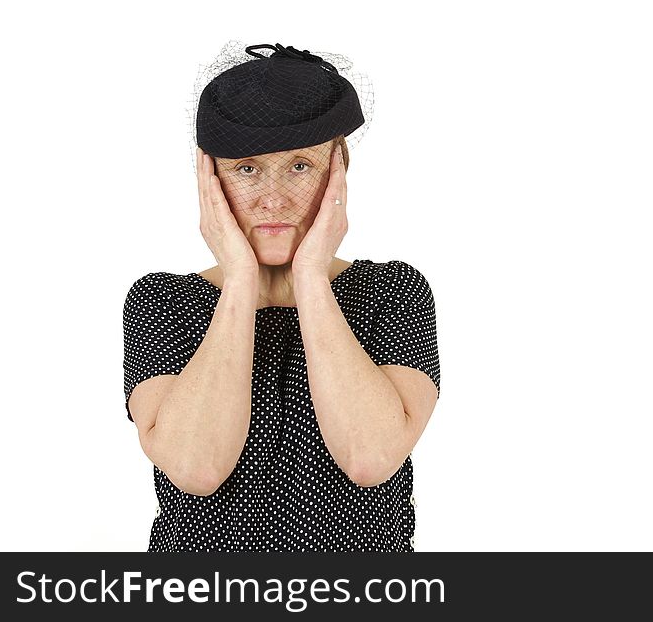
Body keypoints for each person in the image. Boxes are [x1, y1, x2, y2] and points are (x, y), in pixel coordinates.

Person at [122, 43, 440, 551]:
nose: (273, 199)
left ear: (338, 172)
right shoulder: (163, 301)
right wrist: (241, 278)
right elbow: (196, 467)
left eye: (300, 167)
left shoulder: (392, 292)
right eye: (247, 169)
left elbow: (370, 458)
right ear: (212, 181)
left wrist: (310, 275)